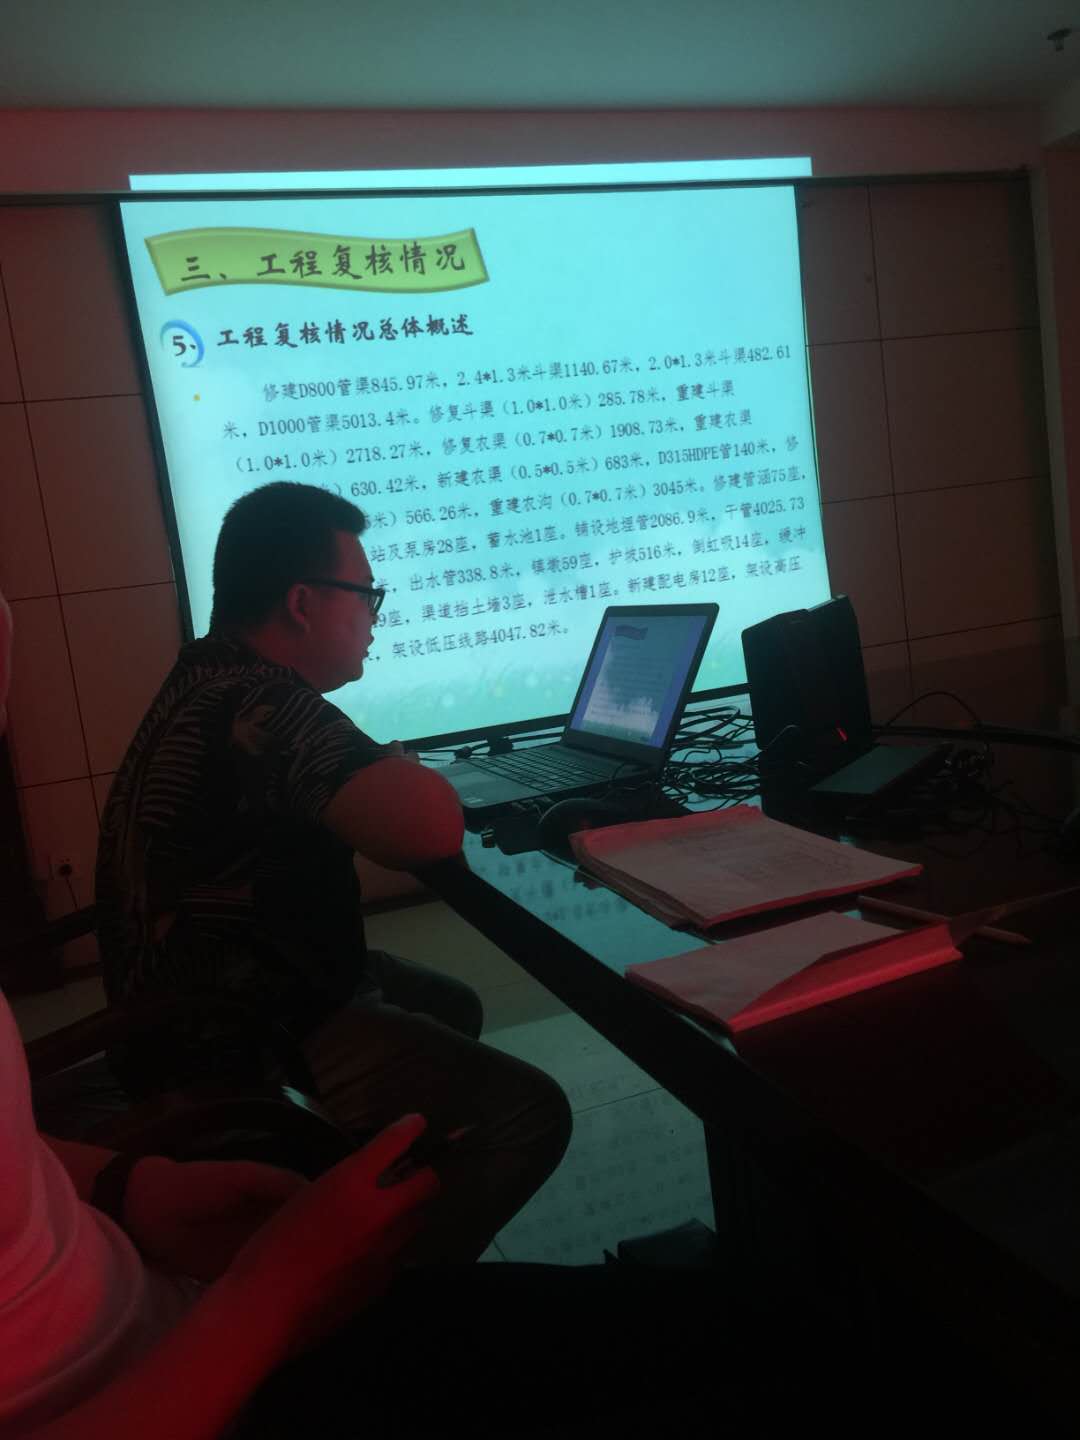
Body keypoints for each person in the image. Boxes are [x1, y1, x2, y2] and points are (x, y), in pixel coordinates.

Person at [94, 482, 571, 1264]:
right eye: (367, 594)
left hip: (182, 1008)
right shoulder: (259, 701)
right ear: (303, 603)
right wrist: (399, 775)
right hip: (232, 1038)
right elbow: (428, 830)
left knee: (448, 1003)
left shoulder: (207, 675)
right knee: (529, 1112)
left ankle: (369, 1187)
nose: (375, 616)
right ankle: (367, 1297)